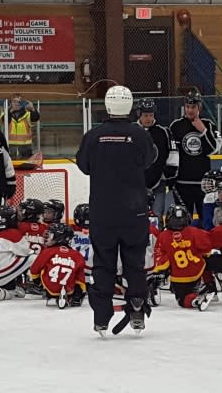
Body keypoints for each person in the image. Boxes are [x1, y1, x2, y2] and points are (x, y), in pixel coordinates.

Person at [76, 85, 156, 336]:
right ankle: (137, 309)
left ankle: (101, 317)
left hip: (103, 211)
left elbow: (84, 165)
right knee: (135, 263)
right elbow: (149, 160)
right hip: (134, 211)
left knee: (103, 264)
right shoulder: (140, 134)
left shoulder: (93, 135)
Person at [169, 91, 221, 223]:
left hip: (204, 184)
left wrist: (203, 131)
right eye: (187, 107)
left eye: (193, 107)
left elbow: (214, 150)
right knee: (183, 222)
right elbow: (171, 152)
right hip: (182, 183)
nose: (190, 110)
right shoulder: (176, 126)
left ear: (199, 107)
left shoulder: (208, 124)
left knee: (206, 221)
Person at [151, 204, 215, 310]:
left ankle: (195, 301)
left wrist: (159, 273)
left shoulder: (164, 236)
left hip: (179, 278)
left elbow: (161, 259)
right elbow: (207, 249)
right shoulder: (194, 231)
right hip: (197, 272)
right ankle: (210, 285)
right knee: (209, 261)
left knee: (182, 300)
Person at [0, 205, 37, 302]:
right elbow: (26, 251)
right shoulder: (13, 234)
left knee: (13, 293)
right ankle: (34, 284)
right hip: (4, 272)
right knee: (34, 257)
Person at [136, 98, 178, 218]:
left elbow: (173, 152)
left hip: (158, 181)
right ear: (139, 115)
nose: (148, 118)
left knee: (157, 214)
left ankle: (157, 236)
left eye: (151, 115)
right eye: (145, 115)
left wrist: (169, 173)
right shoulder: (132, 130)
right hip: (136, 182)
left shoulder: (163, 132)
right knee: (137, 215)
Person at [30, 222, 87, 308]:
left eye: (51, 236)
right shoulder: (77, 255)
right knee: (76, 274)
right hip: (70, 290)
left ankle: (46, 292)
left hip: (48, 289)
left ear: (59, 238)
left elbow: (34, 270)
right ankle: (74, 297)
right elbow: (81, 279)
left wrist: (37, 283)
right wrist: (79, 292)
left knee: (42, 267)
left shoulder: (47, 252)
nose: (47, 238)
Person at [0, 94, 40, 159]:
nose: (17, 103)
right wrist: (11, 111)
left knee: (26, 167)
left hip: (25, 147)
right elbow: (5, 121)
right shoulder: (6, 112)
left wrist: (32, 109)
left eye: (19, 102)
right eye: (14, 101)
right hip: (10, 146)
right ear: (11, 103)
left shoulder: (27, 113)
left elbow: (36, 118)